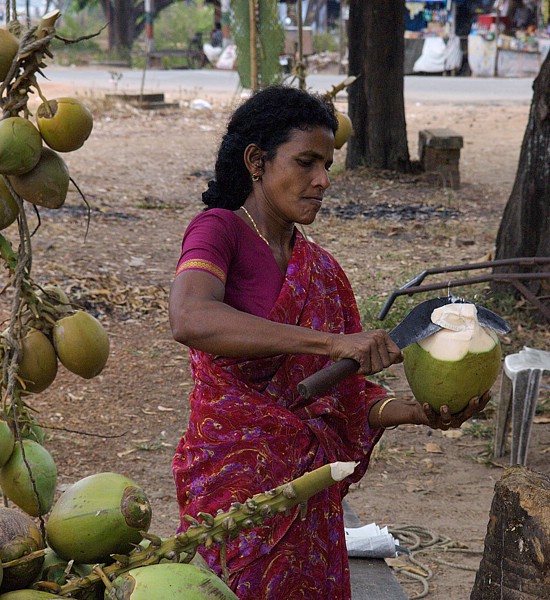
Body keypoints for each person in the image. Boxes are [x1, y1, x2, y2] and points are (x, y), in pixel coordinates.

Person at [168, 85, 490, 600]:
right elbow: (190, 317)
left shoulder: (320, 269)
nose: (321, 180)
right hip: (232, 483)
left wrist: (416, 411)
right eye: (306, 162)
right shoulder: (218, 230)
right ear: (257, 161)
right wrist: (330, 343)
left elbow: (337, 396)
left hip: (307, 492)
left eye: (327, 166)